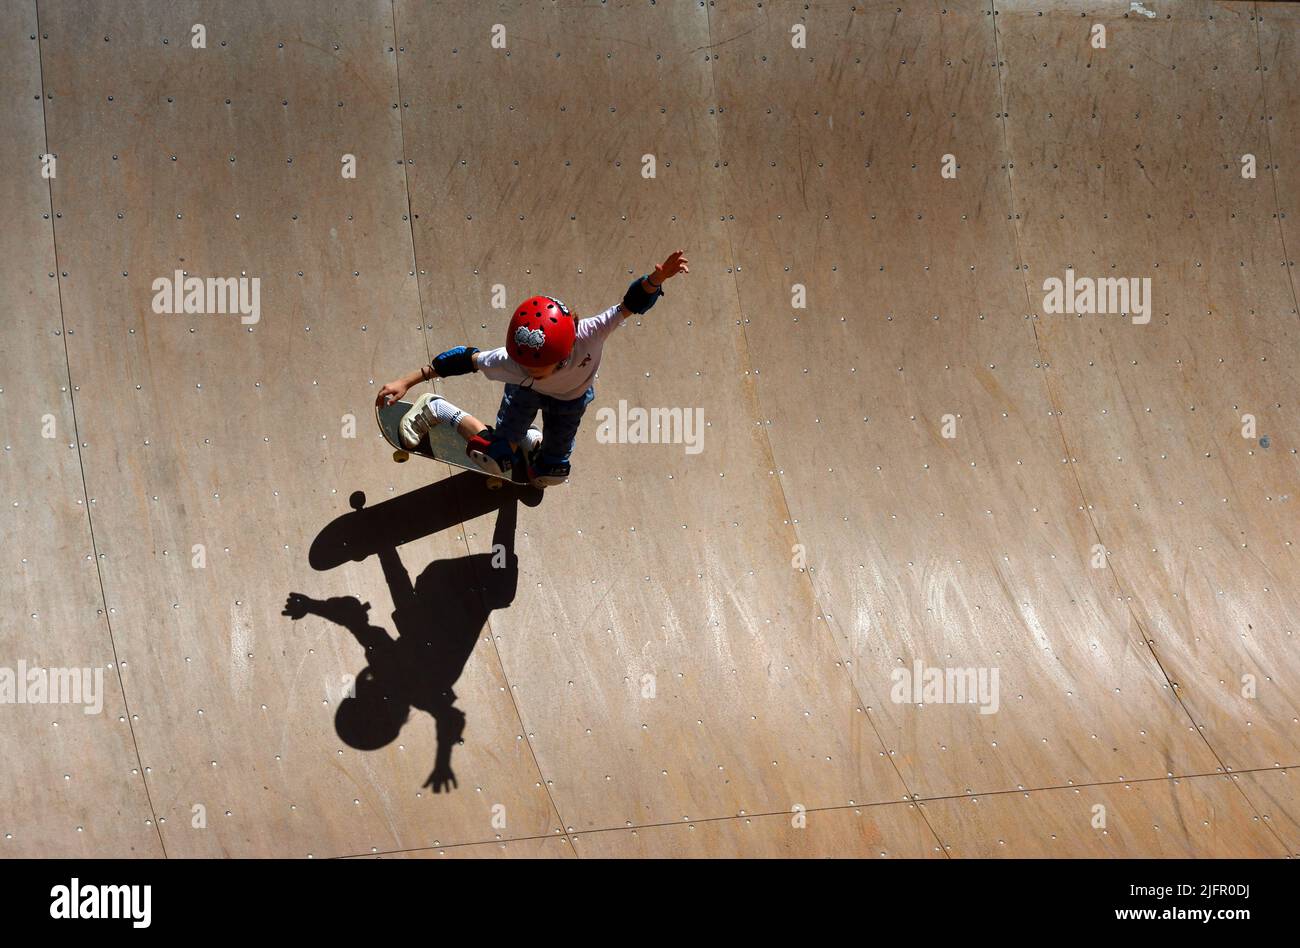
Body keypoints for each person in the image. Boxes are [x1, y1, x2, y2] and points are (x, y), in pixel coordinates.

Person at [376, 250, 689, 487]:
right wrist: (409, 380)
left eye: (536, 368)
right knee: (495, 455)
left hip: (571, 401)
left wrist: (656, 280)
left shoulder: (591, 333)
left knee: (551, 473)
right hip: (525, 398)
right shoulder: (512, 364)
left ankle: (528, 443)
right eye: (522, 364)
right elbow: (463, 359)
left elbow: (630, 305)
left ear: (565, 352)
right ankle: (437, 409)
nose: (526, 370)